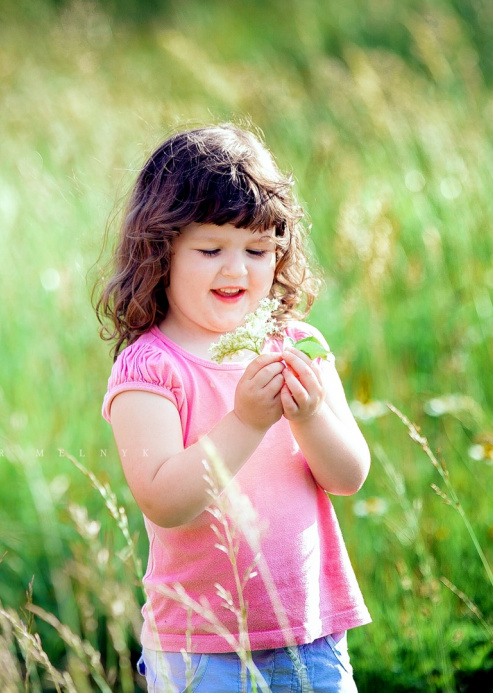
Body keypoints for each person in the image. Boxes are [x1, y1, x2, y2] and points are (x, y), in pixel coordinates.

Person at [95, 124, 371, 692]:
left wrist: (310, 415)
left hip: (311, 636)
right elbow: (165, 499)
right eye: (210, 248)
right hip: (201, 653)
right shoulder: (152, 368)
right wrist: (246, 421)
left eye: (257, 249)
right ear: (161, 249)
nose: (237, 269)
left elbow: (348, 477)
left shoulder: (297, 346)